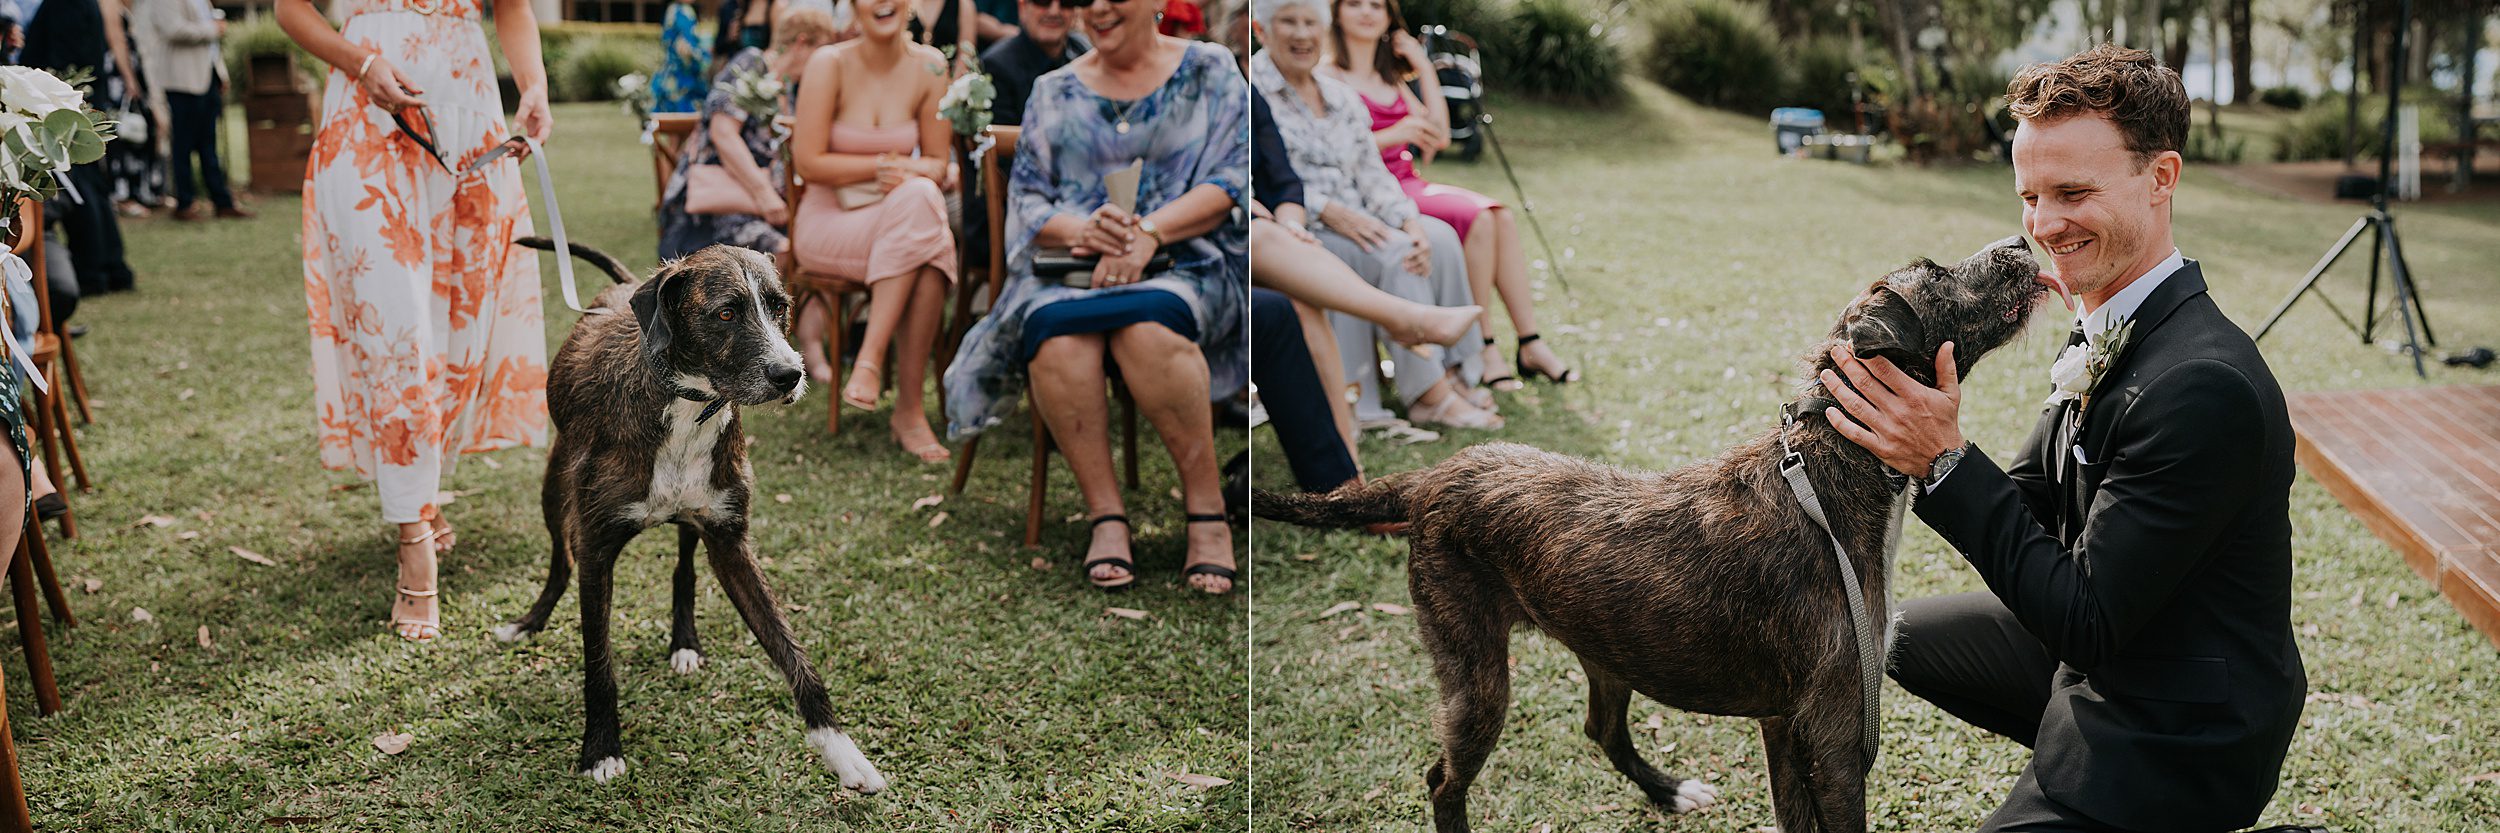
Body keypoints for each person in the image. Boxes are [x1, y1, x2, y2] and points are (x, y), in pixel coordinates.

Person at [1823, 45, 2305, 832]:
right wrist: (1916, 435)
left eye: (2073, 192)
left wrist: (1943, 459)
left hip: (2181, 729)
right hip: (2116, 637)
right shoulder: (2110, 320)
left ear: (2161, 178)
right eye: (2031, 195)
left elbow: (2084, 618)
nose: (2044, 225)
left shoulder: (2203, 385)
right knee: (1902, 637)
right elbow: (2031, 504)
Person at [942, 3, 1246, 594]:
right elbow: (1029, 200)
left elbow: (1231, 178)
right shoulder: (1052, 90)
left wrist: (1148, 232)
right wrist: (1084, 230)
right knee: (1058, 340)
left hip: (1184, 261)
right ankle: (1106, 515)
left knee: (1148, 331)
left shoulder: (1209, 69)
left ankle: (1207, 512)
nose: (1098, 7)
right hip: (1070, 268)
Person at [280, 0, 555, 642]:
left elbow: (512, 7)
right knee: (393, 325)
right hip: (367, 121)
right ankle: (413, 535)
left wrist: (534, 85)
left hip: (471, 117)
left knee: (462, 326)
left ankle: (421, 493)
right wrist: (361, 62)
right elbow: (289, 9)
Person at [1255, 0, 1495, 432]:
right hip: (1302, 225)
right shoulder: (1254, 91)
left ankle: (1457, 371)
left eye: (1310, 23)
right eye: (1288, 22)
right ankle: (1428, 395)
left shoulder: (1338, 95)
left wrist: (1409, 221)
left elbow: (1372, 172)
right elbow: (1263, 180)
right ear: (1262, 30)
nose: (1302, 34)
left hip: (1362, 214)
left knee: (1437, 237)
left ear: (1323, 30)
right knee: (1396, 253)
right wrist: (1329, 211)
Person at [1325, 0, 1577, 389]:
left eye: (1376, 4)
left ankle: (1530, 340)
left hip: (1409, 181)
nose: (1366, 12)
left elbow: (1439, 135)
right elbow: (1327, 152)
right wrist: (1394, 135)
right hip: (1372, 190)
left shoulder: (1388, 78)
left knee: (1499, 214)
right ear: (1337, 14)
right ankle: (1485, 346)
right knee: (1478, 217)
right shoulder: (1327, 76)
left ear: (1390, 18)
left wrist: (1423, 66)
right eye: (1354, 3)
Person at [789, 0, 959, 463]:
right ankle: (898, 396)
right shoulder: (829, 63)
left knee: (922, 214)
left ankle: (885, 379)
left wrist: (908, 172)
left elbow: (938, 163)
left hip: (898, 217)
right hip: (829, 223)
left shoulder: (930, 66)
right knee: (928, 236)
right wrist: (879, 167)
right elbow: (808, 162)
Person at [658, 5, 835, 261]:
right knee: (783, 250)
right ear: (801, 43)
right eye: (822, 52)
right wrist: (765, 195)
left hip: (763, 207)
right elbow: (723, 133)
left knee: (816, 240)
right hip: (716, 207)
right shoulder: (751, 63)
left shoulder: (788, 90)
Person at [20, 0, 142, 295]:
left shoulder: (67, 4)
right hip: (80, 100)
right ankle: (111, 268)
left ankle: (93, 271)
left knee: (80, 190)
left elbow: (64, 62)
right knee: (92, 187)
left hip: (66, 106)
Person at [131, 0, 248, 221]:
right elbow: (173, 29)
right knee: (182, 145)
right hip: (182, 80)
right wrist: (212, 29)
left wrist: (220, 73)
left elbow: (210, 38)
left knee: (209, 145)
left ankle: (222, 201)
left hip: (207, 77)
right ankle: (185, 203)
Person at [978, 0, 1086, 128]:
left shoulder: (1083, 51)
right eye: (1043, 2)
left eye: (1065, 3)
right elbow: (1000, 137)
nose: (1054, 12)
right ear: (1023, 7)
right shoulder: (996, 67)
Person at [650, 0, 711, 113]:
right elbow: (687, 47)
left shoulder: (672, 9)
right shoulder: (683, 11)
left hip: (671, 72)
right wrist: (706, 56)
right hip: (684, 74)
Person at [905, 0, 974, 74]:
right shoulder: (904, 3)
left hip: (950, 76)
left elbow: (965, 55)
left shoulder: (963, 4)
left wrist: (950, 80)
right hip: (909, 75)